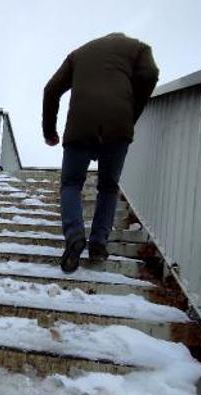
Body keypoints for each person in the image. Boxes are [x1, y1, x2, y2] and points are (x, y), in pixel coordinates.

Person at [43, 33, 159, 273]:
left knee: (71, 184)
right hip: (118, 126)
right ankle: (98, 244)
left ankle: (74, 234)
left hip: (79, 127)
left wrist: (49, 131)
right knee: (108, 187)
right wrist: (131, 109)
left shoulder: (78, 54)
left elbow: (51, 89)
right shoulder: (138, 49)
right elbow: (150, 74)